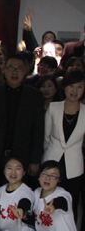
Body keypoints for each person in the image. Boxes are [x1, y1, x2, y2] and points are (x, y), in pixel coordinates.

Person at [0, 55, 45, 188]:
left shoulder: (35, 96)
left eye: (19, 68)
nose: (14, 72)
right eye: (11, 68)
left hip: (21, 158)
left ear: (26, 71)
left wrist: (35, 160)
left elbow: (38, 130)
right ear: (4, 70)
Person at [42, 70, 85, 215]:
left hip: (74, 166)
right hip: (52, 160)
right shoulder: (54, 107)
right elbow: (46, 137)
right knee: (48, 201)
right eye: (71, 86)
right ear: (64, 87)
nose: (74, 91)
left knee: (71, 204)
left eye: (79, 87)